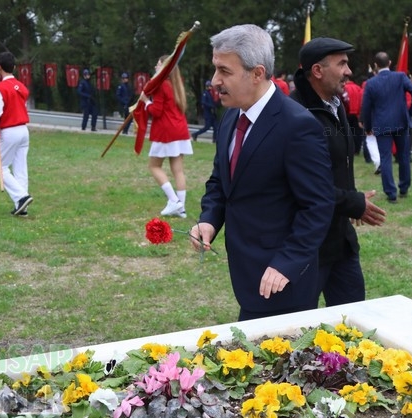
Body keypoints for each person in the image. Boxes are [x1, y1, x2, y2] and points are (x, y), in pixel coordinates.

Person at [189, 24, 335, 321]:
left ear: (257, 73)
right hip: (247, 274)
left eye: (224, 71)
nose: (215, 80)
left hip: (283, 282)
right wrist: (209, 220)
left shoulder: (298, 126)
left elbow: (318, 205)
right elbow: (221, 181)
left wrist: (287, 263)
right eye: (216, 69)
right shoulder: (231, 117)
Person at [290, 37, 386, 306]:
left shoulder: (334, 105)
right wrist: (353, 203)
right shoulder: (295, 114)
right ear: (318, 71)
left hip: (340, 239)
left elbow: (335, 165)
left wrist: (349, 201)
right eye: (342, 64)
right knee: (297, 329)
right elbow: (302, 185)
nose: (349, 71)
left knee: (351, 324)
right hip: (307, 246)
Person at [138, 55, 193, 218]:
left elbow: (156, 111)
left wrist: (146, 101)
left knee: (154, 166)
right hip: (180, 130)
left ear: (165, 67)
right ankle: (181, 207)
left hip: (166, 132)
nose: (156, 66)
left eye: (158, 64)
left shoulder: (162, 85)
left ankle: (174, 201)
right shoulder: (176, 84)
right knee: (178, 170)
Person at [362, 52, 412, 203]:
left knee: (386, 158)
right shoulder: (400, 77)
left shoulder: (371, 83)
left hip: (381, 123)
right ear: (390, 62)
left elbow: (366, 108)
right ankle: (404, 187)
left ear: (375, 66)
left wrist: (367, 126)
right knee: (403, 156)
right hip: (401, 120)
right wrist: (410, 113)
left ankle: (391, 193)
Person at [0, 52, 33, 216]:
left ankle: (21, 197)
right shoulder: (20, 85)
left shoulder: (0, 88)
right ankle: (22, 207)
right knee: (20, 168)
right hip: (23, 130)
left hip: (10, 130)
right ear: (13, 67)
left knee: (0, 168)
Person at [342, 78, 363, 155]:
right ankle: (357, 149)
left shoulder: (344, 88)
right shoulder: (358, 88)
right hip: (356, 113)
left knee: (347, 131)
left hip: (347, 112)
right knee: (357, 132)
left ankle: (349, 149)